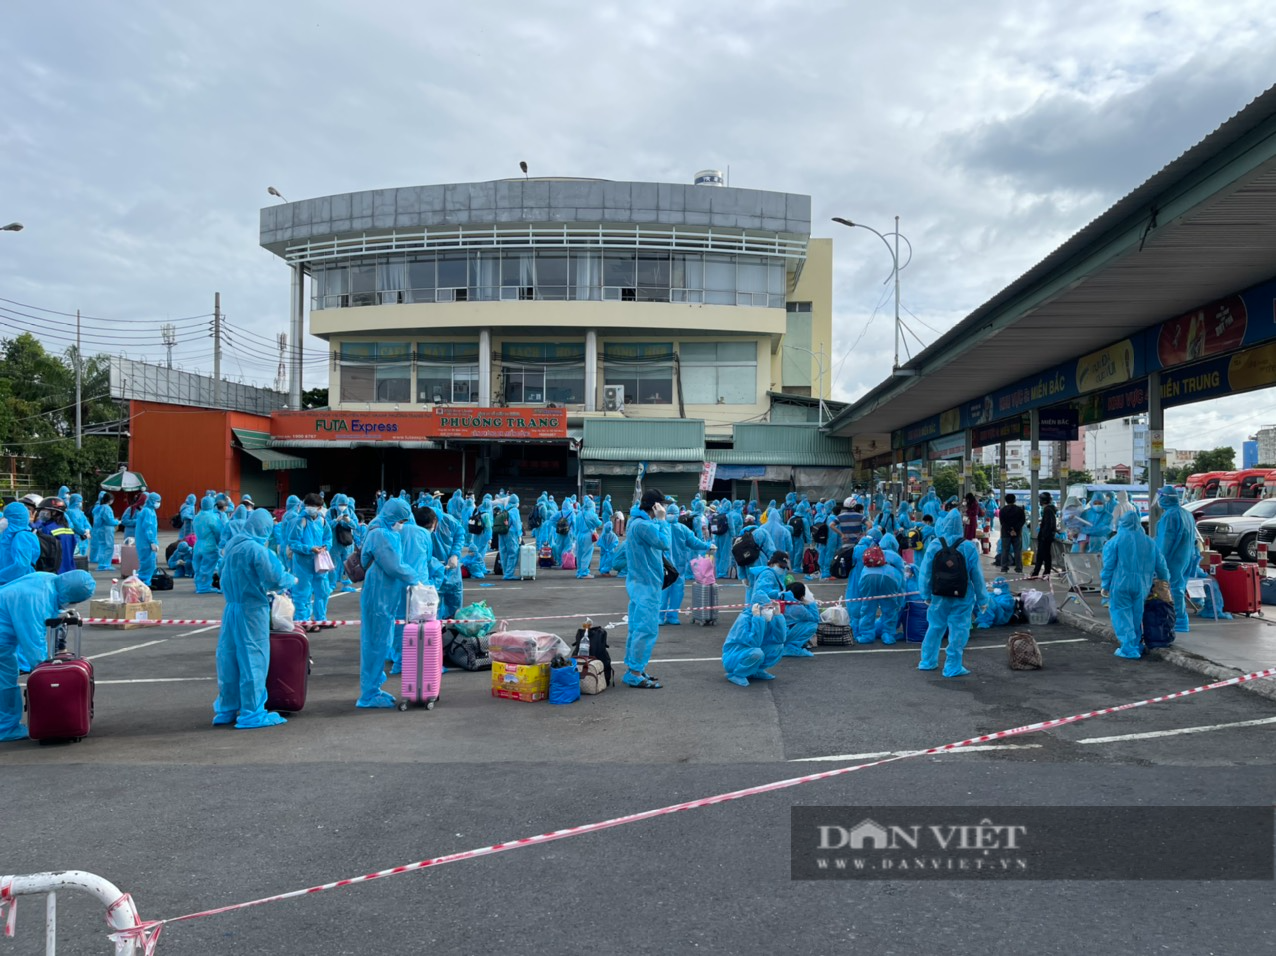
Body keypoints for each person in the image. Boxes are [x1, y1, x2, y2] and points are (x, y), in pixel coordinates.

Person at [212, 509, 298, 729]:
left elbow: (221, 576)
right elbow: (274, 578)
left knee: (228, 660)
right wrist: (291, 579)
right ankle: (252, 713)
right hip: (252, 611)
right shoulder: (257, 550)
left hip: (231, 608)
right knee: (253, 660)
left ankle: (226, 708)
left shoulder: (233, 546)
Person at [0, 570, 96, 740]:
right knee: (5, 683)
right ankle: (6, 728)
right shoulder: (36, 601)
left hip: (5, 637)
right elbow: (33, 642)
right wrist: (47, 672)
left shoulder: (47, 579)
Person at [358, 498, 421, 708]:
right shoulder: (381, 535)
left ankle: (373, 689)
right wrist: (416, 578)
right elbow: (394, 566)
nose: (401, 524)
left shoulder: (381, 530)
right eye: (400, 520)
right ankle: (369, 694)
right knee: (376, 644)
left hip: (383, 596)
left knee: (379, 642)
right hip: (379, 597)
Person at [918, 509, 987, 677]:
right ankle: (952, 666)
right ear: (960, 526)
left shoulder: (935, 545)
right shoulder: (968, 547)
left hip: (938, 595)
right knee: (959, 630)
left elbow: (925, 573)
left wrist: (926, 594)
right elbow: (976, 576)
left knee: (934, 627)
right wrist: (982, 599)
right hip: (962, 596)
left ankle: (927, 661)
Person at [1102, 510, 1171, 659]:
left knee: (1121, 614)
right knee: (1136, 614)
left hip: (1120, 583)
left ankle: (1128, 647)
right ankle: (1136, 643)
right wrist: (1165, 580)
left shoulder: (1115, 541)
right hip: (1142, 585)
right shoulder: (1149, 542)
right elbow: (1161, 564)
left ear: (1122, 523)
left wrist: (1105, 585)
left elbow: (1108, 566)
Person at [622, 489, 670, 689]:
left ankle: (635, 668)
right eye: (663, 504)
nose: (665, 508)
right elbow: (665, 543)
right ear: (655, 506)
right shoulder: (645, 525)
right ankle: (634, 672)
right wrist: (662, 521)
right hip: (647, 584)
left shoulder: (635, 522)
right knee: (646, 629)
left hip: (638, 582)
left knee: (637, 627)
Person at [1153, 485, 1198, 634]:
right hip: (1184, 557)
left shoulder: (1170, 516)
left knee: (1172, 588)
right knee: (1178, 587)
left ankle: (1178, 620)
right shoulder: (1186, 513)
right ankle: (1180, 619)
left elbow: (1166, 541)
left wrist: (1158, 561)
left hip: (1172, 558)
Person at [661, 506, 714, 624]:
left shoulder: (663, 527)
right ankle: (667, 616)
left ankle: (668, 616)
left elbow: (694, 542)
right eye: (668, 512)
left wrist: (707, 546)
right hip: (671, 565)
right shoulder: (678, 528)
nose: (670, 515)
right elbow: (694, 542)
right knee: (670, 590)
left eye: (671, 513)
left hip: (668, 565)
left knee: (670, 590)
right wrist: (707, 545)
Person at [289, 493, 333, 627]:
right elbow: (293, 543)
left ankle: (321, 618)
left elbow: (328, 537)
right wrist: (309, 549)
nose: (310, 508)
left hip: (319, 560)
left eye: (313, 506)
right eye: (308, 505)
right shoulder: (300, 521)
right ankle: (303, 620)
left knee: (323, 591)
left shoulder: (322, 521)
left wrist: (325, 547)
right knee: (303, 591)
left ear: (320, 507)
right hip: (303, 563)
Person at [854, 532, 907, 645]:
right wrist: (900, 600)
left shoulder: (872, 552)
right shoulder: (896, 557)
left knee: (867, 607)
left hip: (867, 577)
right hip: (890, 578)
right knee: (890, 608)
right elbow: (902, 580)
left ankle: (866, 635)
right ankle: (888, 634)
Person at [721, 602, 785, 686]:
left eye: (770, 607)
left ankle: (756, 670)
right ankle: (738, 674)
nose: (769, 611)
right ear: (757, 608)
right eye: (766, 608)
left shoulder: (766, 619)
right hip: (734, 658)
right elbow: (754, 643)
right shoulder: (744, 620)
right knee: (757, 653)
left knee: (778, 647)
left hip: (750, 651)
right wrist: (757, 619)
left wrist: (778, 616)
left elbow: (780, 639)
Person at [0, 500, 41, 586]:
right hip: (8, 582)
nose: (2, 520)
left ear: (15, 519)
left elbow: (21, 566)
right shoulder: (9, 536)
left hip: (18, 583)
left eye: (6, 517)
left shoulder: (22, 536)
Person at [192, 495, 222, 593]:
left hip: (198, 545)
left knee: (197, 566)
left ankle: (199, 584)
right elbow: (218, 532)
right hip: (209, 545)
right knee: (207, 567)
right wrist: (220, 543)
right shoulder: (213, 517)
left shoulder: (197, 516)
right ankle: (204, 587)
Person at [781, 581, 819, 657]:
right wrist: (811, 603)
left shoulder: (781, 601)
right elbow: (815, 618)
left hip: (775, 634)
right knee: (812, 625)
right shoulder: (798, 608)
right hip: (784, 634)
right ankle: (791, 646)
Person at [134, 492, 161, 585]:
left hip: (146, 542)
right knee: (147, 563)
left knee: (150, 563)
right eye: (157, 501)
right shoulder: (147, 511)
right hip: (146, 543)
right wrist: (152, 542)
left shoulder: (150, 510)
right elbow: (148, 528)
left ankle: (147, 581)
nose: (158, 503)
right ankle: (144, 583)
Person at [996, 493, 1026, 573]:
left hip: (1006, 533)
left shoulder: (1002, 510)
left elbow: (1002, 522)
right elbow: (1022, 521)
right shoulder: (1020, 510)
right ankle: (1019, 568)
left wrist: (1010, 530)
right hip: (1017, 533)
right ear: (1015, 500)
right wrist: (1015, 530)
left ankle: (1004, 568)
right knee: (1017, 551)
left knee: (1005, 550)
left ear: (1006, 501)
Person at [1031, 493, 1058, 579]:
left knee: (1041, 556)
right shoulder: (1050, 509)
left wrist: (1043, 536)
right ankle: (1045, 573)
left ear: (1043, 500)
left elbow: (1049, 525)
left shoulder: (1047, 510)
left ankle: (1036, 574)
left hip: (1045, 537)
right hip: (1047, 537)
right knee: (1046, 556)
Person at [574, 497, 602, 579]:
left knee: (579, 554)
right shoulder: (592, 514)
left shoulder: (579, 514)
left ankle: (579, 571)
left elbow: (576, 526)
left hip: (579, 535)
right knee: (587, 554)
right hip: (588, 535)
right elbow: (598, 524)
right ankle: (584, 572)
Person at [497, 493, 523, 581]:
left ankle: (505, 572)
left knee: (503, 553)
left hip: (502, 532)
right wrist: (519, 535)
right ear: (516, 502)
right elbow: (517, 523)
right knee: (513, 553)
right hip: (511, 533)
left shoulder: (505, 509)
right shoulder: (515, 510)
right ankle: (509, 574)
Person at [65, 493, 92, 558]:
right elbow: (75, 525)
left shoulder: (80, 512)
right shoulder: (70, 512)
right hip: (76, 536)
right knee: (76, 555)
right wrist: (84, 532)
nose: (80, 503)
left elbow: (86, 522)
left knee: (83, 555)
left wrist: (87, 530)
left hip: (84, 537)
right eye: (79, 501)